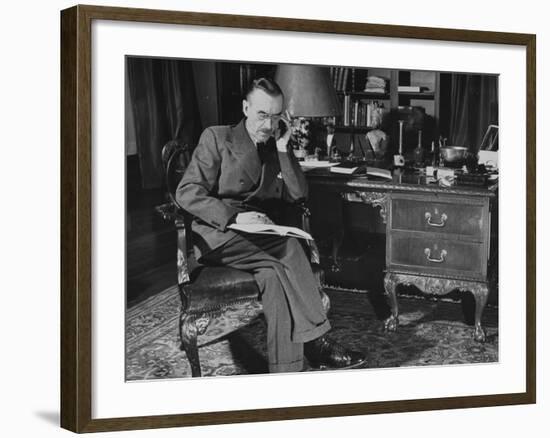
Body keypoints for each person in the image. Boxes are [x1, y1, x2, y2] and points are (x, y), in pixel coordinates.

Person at [176, 77, 366, 373]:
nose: (268, 124)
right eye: (262, 114)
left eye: (275, 116)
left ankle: (285, 371)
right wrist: (234, 217)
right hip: (221, 235)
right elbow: (187, 192)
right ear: (245, 107)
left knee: (274, 277)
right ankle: (319, 341)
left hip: (261, 238)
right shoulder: (217, 137)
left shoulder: (276, 144)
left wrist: (281, 148)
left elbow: (298, 193)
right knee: (289, 247)